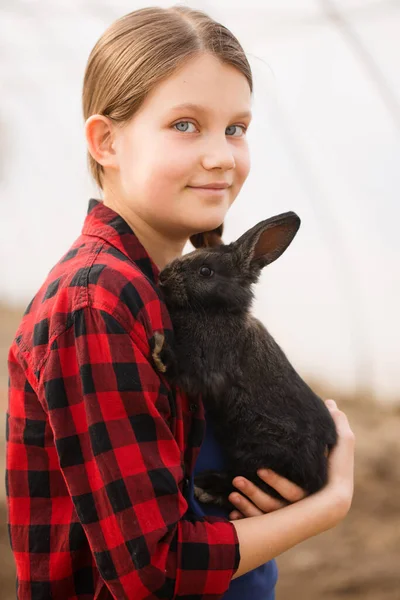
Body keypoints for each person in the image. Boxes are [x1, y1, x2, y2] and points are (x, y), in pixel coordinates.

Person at [6, 5, 355, 599]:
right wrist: (326, 506)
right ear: (107, 141)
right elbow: (155, 570)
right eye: (185, 125)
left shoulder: (168, 288)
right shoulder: (97, 305)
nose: (221, 154)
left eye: (236, 128)